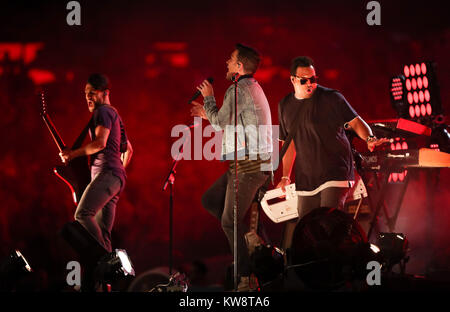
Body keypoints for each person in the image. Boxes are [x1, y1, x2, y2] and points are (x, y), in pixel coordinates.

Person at [276, 56, 388, 250]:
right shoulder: (284, 105)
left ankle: (338, 271)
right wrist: (285, 176)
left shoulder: (331, 98)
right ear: (293, 80)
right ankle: (313, 276)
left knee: (329, 225)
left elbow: (356, 122)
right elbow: (289, 145)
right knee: (307, 232)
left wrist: (369, 139)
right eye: (304, 80)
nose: (310, 83)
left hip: (335, 171)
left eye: (313, 79)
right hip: (306, 178)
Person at [190, 43, 273, 291]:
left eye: (230, 59)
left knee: (228, 221)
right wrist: (208, 113)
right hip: (246, 163)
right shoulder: (250, 88)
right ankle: (248, 238)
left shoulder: (237, 89)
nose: (226, 62)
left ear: (239, 66)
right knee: (211, 200)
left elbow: (218, 122)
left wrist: (207, 97)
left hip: (250, 164)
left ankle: (247, 276)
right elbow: (227, 121)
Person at [59, 73, 133, 255]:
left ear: (105, 93)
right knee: (103, 232)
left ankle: (105, 259)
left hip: (107, 175)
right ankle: (107, 277)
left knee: (82, 214)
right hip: (115, 178)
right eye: (85, 93)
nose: (87, 97)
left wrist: (72, 154)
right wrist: (119, 171)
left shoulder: (103, 112)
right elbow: (129, 150)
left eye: (92, 93)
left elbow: (100, 143)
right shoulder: (115, 114)